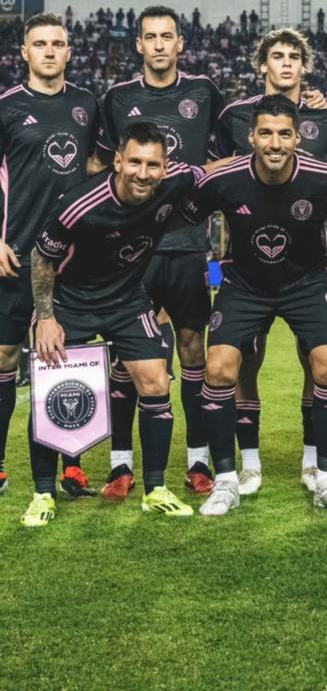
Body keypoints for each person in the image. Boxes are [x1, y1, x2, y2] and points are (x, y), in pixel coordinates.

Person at [183, 95, 327, 515]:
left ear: (298, 138)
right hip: (245, 284)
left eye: (284, 134)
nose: (275, 143)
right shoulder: (224, 180)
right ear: (251, 137)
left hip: (307, 282)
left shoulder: (325, 177)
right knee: (219, 368)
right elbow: (186, 215)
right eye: (265, 133)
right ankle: (226, 481)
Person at [23, 122, 202, 526]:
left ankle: (155, 490)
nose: (143, 173)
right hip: (71, 301)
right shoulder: (80, 205)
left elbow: (212, 172)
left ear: (165, 166)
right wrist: (47, 318)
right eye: (134, 162)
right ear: (117, 161)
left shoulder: (177, 181)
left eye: (153, 165)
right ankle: (42, 494)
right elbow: (42, 258)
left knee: (156, 381)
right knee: (51, 391)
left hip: (126, 299)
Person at [210, 28, 327, 496]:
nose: (286, 63)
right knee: (243, 361)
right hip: (247, 264)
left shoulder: (326, 116)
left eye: (294, 56)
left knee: (319, 363)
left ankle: (314, 463)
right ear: (262, 64)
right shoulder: (234, 114)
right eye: (277, 56)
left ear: (305, 66)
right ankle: (247, 465)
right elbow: (212, 173)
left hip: (306, 265)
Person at [96, 5, 223, 499]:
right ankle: (120, 465)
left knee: (193, 351)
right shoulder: (118, 97)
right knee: (126, 356)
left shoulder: (205, 91)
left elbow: (236, 149)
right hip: (131, 251)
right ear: (139, 45)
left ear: (180, 43)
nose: (159, 45)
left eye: (167, 36)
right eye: (150, 37)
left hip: (187, 246)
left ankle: (197, 461)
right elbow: (99, 166)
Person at [0, 13, 101, 500]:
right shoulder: (7, 106)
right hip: (15, 253)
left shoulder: (87, 104)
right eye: (39, 44)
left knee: (66, 357)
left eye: (57, 43)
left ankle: (72, 467)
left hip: (71, 258)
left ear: (68, 51)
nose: (48, 51)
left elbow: (100, 166)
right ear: (24, 52)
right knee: (4, 356)